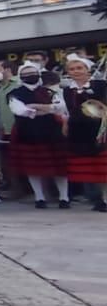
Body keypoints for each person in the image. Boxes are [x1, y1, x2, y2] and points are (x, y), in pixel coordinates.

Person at [9, 61, 70, 207]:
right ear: (21, 76)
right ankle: (39, 198)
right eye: (26, 74)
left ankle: (64, 198)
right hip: (28, 133)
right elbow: (20, 110)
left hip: (52, 132)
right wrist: (47, 109)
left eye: (33, 73)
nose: (30, 76)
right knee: (33, 169)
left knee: (60, 168)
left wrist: (37, 107)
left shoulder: (49, 91)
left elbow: (60, 107)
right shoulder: (15, 93)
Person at [62, 55, 107, 211]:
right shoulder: (67, 90)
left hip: (99, 128)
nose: (76, 71)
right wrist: (66, 123)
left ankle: (105, 198)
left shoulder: (101, 85)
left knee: (103, 166)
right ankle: (96, 198)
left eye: (79, 68)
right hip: (79, 131)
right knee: (89, 167)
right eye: (72, 69)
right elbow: (68, 110)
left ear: (87, 69)